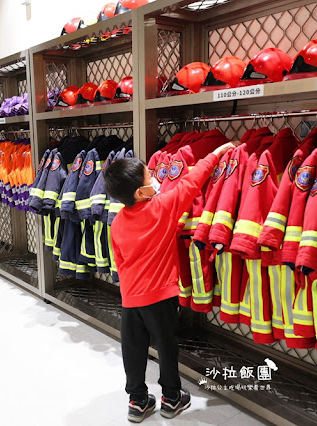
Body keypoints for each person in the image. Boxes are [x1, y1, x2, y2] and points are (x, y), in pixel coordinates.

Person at [103, 142, 235, 423]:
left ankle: (137, 401)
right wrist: (216, 153)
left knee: (133, 349)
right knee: (166, 346)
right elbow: (192, 181)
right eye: (151, 178)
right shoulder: (162, 207)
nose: (157, 181)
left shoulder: (117, 223)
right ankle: (172, 398)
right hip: (160, 298)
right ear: (141, 192)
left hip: (130, 299)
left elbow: (120, 261)